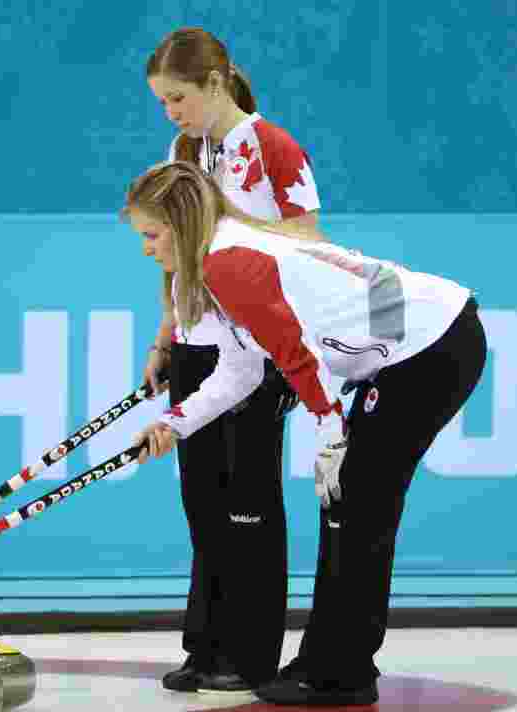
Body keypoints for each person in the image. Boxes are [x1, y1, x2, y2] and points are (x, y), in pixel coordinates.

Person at [126, 160, 487, 706]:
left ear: (180, 223)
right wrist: (174, 424)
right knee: (349, 504)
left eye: (151, 234)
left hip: (430, 346)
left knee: (356, 500)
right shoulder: (216, 259)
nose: (147, 249)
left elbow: (300, 358)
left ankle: (340, 672)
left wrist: (331, 436)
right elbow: (243, 370)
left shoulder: (229, 263)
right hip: (412, 350)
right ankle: (330, 661)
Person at [142, 28, 323, 694]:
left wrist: (226, 227)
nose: (172, 114)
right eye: (163, 103)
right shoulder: (184, 150)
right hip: (196, 340)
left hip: (257, 347)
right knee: (201, 501)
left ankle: (248, 653)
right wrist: (166, 333)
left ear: (215, 83)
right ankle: (206, 645)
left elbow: (307, 244)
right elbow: (174, 246)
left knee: (248, 501)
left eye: (178, 98)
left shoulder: (274, 148)